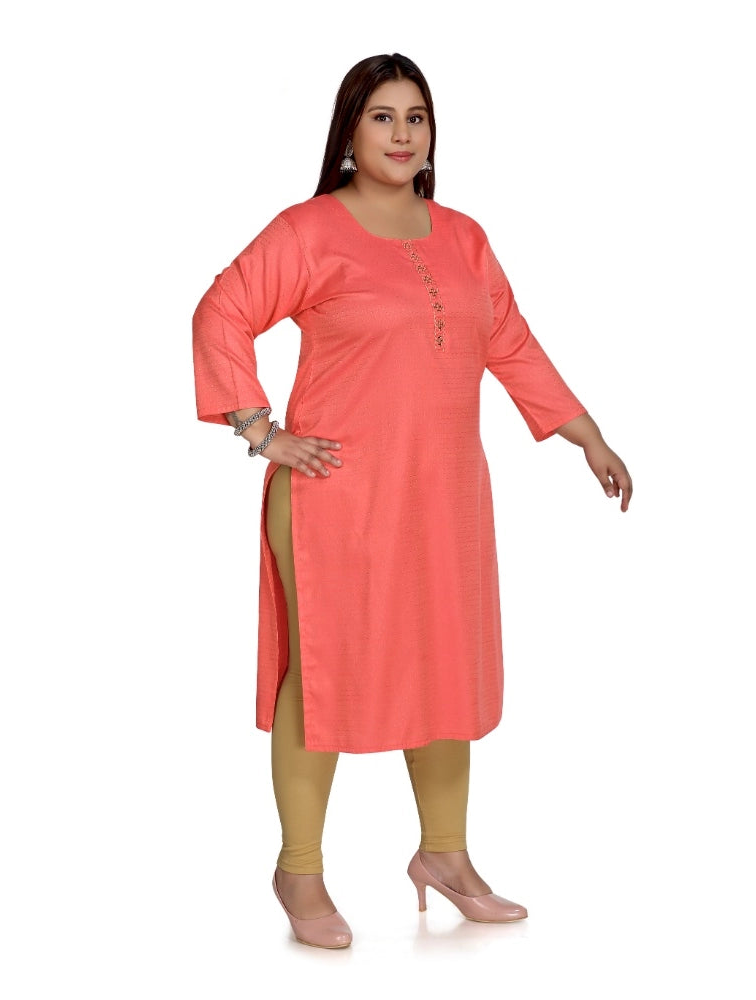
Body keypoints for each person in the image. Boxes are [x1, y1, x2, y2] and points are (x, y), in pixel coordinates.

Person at [192, 52, 632, 949]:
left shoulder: (463, 237)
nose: (402, 134)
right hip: (337, 496)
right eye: (383, 117)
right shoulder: (310, 230)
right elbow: (221, 311)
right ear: (349, 132)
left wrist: (585, 433)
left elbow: (510, 341)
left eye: (416, 117)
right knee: (324, 672)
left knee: (444, 667)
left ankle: (445, 856)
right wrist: (260, 430)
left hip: (444, 497)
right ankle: (299, 869)